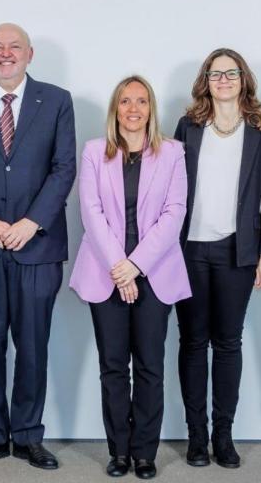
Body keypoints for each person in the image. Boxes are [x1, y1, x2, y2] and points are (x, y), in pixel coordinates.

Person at [0, 23, 75, 470]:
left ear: (30, 53)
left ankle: (27, 435)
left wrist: (30, 222)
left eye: (15, 47)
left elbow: (63, 168)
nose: (6, 54)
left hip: (36, 248)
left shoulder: (57, 100)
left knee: (33, 345)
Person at [69, 75, 190, 479]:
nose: (133, 109)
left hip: (155, 274)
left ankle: (144, 454)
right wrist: (120, 268)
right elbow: (91, 213)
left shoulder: (173, 153)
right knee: (114, 365)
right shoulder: (92, 152)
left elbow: (174, 214)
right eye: (125, 101)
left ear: (151, 108)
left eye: (141, 101)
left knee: (151, 366)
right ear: (115, 109)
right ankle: (118, 451)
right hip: (105, 273)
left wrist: (135, 266)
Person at [173, 48, 261, 468]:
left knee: (229, 342)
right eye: (215, 73)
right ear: (205, 80)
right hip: (190, 250)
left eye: (230, 73)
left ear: (243, 79)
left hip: (239, 250)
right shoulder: (189, 125)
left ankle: (224, 435)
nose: (223, 79)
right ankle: (196, 437)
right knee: (192, 342)